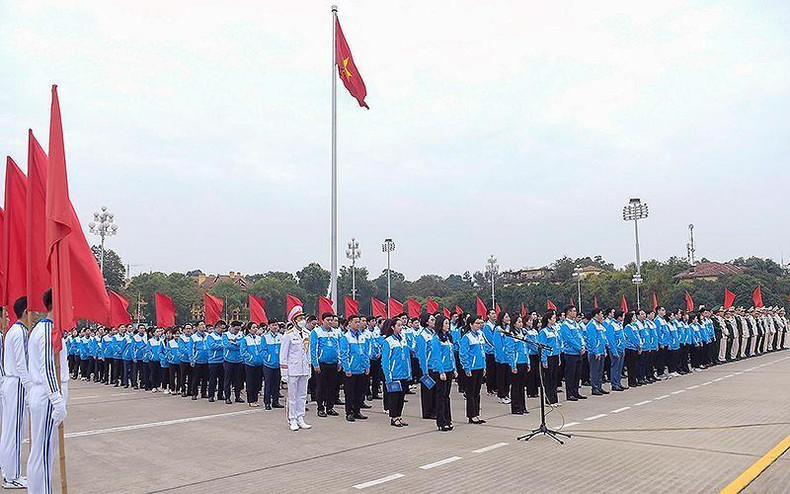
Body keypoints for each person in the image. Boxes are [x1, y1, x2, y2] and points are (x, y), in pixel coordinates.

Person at [25, 290, 68, 494]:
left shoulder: (51, 329)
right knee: (42, 452)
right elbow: (48, 368)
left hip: (46, 393)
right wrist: (57, 400)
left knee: (45, 452)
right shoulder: (45, 331)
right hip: (46, 395)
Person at [0, 297, 31, 489]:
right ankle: (12, 476)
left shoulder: (13, 331)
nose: (34, 315)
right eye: (33, 311)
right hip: (17, 383)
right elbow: (21, 365)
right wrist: (30, 388)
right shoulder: (19, 332)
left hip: (11, 382)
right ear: (26, 312)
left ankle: (7, 470)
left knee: (10, 430)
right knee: (15, 431)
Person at [280, 306, 312, 431]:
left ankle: (300, 417)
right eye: (299, 318)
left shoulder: (307, 334)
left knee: (302, 395)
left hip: (304, 368)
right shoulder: (288, 335)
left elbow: (307, 352)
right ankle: (292, 419)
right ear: (294, 321)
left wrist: (309, 368)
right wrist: (284, 372)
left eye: (303, 317)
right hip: (292, 369)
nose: (302, 320)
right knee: (292, 396)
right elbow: (283, 355)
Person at [338, 314, 370, 422]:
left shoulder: (362, 336)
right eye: (356, 322)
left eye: (359, 322)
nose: (358, 324)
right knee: (350, 393)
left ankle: (357, 411)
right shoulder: (346, 337)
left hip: (361, 369)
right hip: (351, 370)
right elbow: (344, 354)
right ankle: (349, 412)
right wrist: (347, 368)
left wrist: (367, 365)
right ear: (350, 323)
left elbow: (365, 352)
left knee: (360, 392)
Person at [381, 317, 411, 427]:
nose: (400, 327)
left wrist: (409, 372)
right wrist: (388, 376)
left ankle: (399, 415)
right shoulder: (388, 341)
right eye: (398, 325)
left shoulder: (403, 340)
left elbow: (407, 357)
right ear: (393, 327)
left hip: (403, 373)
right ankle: (394, 417)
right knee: (394, 397)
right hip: (394, 374)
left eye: (401, 325)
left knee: (401, 397)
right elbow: (385, 360)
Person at [310, 313, 341, 418]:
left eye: (332, 320)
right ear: (322, 320)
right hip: (321, 364)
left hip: (333, 363)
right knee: (321, 387)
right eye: (328, 320)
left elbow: (339, 348)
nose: (330, 322)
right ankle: (320, 408)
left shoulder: (336, 333)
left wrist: (339, 362)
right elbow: (313, 349)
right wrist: (315, 363)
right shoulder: (316, 332)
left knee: (332, 387)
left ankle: (330, 407)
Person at [428, 314, 456, 431]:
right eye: (445, 323)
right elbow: (436, 356)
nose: (448, 325)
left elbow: (451, 355)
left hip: (449, 369)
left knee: (446, 396)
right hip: (441, 371)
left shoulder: (448, 337)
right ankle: (441, 421)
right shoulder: (435, 339)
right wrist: (441, 371)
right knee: (440, 396)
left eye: (448, 323)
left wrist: (454, 369)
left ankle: (448, 419)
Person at [459, 314, 487, 424]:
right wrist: (467, 368)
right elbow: (463, 354)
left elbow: (482, 352)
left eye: (480, 323)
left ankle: (476, 413)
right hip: (472, 367)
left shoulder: (480, 334)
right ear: (470, 324)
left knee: (477, 391)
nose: (479, 325)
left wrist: (484, 366)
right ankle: (471, 415)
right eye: (477, 323)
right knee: (470, 392)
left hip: (480, 366)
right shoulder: (466, 337)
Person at [559, 305, 586, 401]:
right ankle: (570, 393)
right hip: (570, 353)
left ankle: (575, 391)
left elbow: (580, 336)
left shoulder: (576, 324)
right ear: (568, 312)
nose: (575, 313)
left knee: (577, 373)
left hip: (578, 352)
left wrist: (583, 345)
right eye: (573, 311)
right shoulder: (565, 325)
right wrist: (579, 347)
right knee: (570, 374)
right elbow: (569, 339)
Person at [504, 314, 530, 415]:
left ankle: (522, 406)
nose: (521, 323)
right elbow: (509, 351)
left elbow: (525, 349)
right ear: (514, 324)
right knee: (516, 386)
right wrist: (512, 365)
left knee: (522, 386)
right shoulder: (511, 335)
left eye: (521, 322)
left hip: (523, 361)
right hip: (516, 363)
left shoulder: (523, 333)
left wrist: (528, 363)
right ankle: (516, 407)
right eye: (519, 322)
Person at [538, 310, 562, 407]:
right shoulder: (543, 332)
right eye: (553, 317)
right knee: (548, 379)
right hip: (548, 357)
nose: (555, 319)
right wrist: (544, 359)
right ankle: (549, 400)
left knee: (554, 378)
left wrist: (559, 356)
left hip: (555, 356)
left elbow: (558, 345)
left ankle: (554, 399)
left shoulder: (554, 330)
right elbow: (542, 347)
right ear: (548, 319)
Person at [415, 313, 437, 419]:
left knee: (435, 390)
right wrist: (424, 370)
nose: (434, 321)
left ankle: (435, 410)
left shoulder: (434, 333)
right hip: (427, 367)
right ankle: (428, 412)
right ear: (426, 322)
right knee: (428, 390)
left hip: (435, 366)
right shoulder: (422, 335)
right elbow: (422, 354)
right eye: (432, 320)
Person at [260, 320, 284, 410]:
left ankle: (275, 401)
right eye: (273, 325)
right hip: (268, 365)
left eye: (276, 325)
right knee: (268, 384)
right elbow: (262, 350)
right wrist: (268, 358)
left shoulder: (281, 336)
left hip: (278, 364)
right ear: (269, 326)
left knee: (277, 384)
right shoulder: (265, 337)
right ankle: (267, 402)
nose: (275, 327)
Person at [585, 308, 609, 395]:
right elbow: (592, 340)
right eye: (601, 314)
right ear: (596, 315)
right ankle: (594, 388)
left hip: (601, 350)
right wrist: (596, 351)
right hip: (595, 352)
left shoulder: (599, 324)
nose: (602, 315)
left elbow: (603, 338)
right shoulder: (591, 325)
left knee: (600, 370)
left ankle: (599, 386)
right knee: (594, 370)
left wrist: (604, 350)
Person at [240, 322, 263, 407]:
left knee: (257, 382)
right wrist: (250, 358)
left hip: (259, 363)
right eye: (253, 327)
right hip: (250, 364)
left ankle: (256, 399)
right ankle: (251, 400)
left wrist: (261, 358)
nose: (255, 329)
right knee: (250, 382)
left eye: (256, 327)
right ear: (249, 329)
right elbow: (243, 352)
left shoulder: (259, 338)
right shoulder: (245, 339)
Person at [222, 321, 245, 404]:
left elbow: (243, 344)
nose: (237, 331)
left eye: (238, 329)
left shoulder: (241, 335)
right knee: (227, 379)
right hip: (228, 360)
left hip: (239, 360)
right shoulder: (225, 335)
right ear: (231, 327)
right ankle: (227, 397)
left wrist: (235, 343)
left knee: (238, 380)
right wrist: (237, 345)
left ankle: (237, 396)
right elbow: (227, 346)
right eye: (235, 329)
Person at [603, 309, 626, 391]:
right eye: (623, 316)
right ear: (619, 317)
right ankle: (614, 384)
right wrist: (614, 351)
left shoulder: (619, 324)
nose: (624, 317)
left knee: (620, 367)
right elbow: (611, 340)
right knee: (615, 367)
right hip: (616, 349)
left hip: (621, 348)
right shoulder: (611, 325)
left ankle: (618, 382)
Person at [493, 312, 512, 405]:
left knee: (508, 377)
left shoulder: (508, 328)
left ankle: (506, 394)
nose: (508, 318)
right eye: (506, 317)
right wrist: (500, 357)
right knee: (501, 377)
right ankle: (501, 395)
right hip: (501, 357)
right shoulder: (498, 329)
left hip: (508, 357)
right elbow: (497, 345)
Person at [205, 321, 226, 402]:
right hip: (214, 361)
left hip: (223, 360)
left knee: (222, 379)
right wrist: (224, 346)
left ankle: (220, 394)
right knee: (213, 379)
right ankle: (211, 395)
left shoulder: (224, 336)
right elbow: (212, 346)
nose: (223, 330)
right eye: (222, 328)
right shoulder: (211, 336)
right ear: (217, 327)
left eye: (224, 328)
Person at [623, 311, 644, 388]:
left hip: (635, 347)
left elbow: (638, 336)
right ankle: (631, 382)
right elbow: (632, 338)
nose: (635, 318)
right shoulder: (628, 327)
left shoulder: (634, 326)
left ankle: (634, 380)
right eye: (634, 317)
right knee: (631, 366)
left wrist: (640, 345)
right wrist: (638, 345)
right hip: (630, 348)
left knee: (635, 365)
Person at [190, 322, 209, 400]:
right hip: (197, 360)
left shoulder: (208, 336)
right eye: (201, 325)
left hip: (207, 360)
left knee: (205, 378)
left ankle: (203, 392)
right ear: (197, 327)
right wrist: (192, 359)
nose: (203, 326)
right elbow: (190, 349)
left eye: (204, 324)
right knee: (196, 378)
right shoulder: (193, 337)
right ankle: (194, 393)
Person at [482, 309, 498, 396]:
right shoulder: (487, 326)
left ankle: (495, 387)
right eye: (492, 313)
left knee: (496, 371)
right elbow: (489, 339)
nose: (494, 315)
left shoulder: (496, 325)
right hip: (490, 351)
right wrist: (495, 346)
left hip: (496, 352)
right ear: (488, 315)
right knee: (491, 371)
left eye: (495, 313)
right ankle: (490, 388)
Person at [177, 324, 194, 397]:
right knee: (183, 376)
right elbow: (182, 349)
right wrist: (190, 352)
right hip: (184, 360)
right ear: (183, 330)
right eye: (187, 328)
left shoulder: (193, 337)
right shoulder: (181, 338)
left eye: (190, 328)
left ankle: (190, 390)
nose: (188, 330)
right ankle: (183, 390)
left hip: (192, 360)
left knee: (191, 376)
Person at [148, 328, 163, 392]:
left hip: (160, 360)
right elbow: (148, 350)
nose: (158, 333)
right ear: (153, 333)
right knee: (153, 373)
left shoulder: (162, 340)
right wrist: (151, 356)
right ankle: (153, 386)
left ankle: (158, 385)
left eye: (159, 331)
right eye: (157, 331)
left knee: (160, 373)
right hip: (153, 360)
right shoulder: (150, 341)